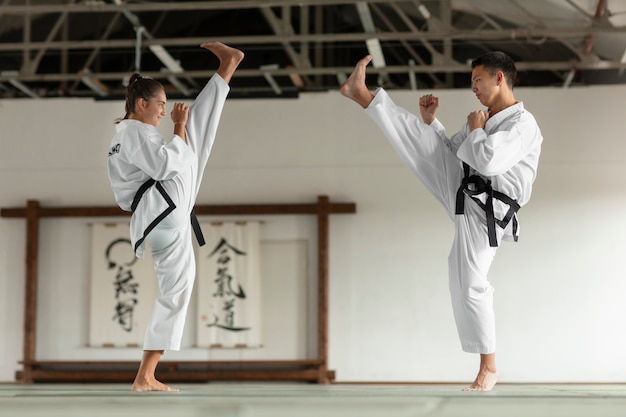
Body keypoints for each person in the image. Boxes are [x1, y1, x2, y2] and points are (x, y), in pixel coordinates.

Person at [340, 51, 542, 391]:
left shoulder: (523, 124)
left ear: (499, 78)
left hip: (489, 211)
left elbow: (489, 161)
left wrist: (477, 130)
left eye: (478, 80)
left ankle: (489, 367)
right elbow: (452, 150)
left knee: (469, 282)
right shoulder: (483, 117)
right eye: (472, 82)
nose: (473, 88)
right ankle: (363, 96)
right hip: (467, 193)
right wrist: (432, 122)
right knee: (427, 146)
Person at [107, 41, 244, 391]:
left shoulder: (124, 136)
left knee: (177, 290)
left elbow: (163, 163)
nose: (164, 112)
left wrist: (179, 132)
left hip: (158, 214)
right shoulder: (136, 132)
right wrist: (179, 127)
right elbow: (167, 164)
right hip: (164, 203)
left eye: (167, 108)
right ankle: (227, 69)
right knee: (193, 133)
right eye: (161, 106)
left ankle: (145, 374)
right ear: (142, 104)